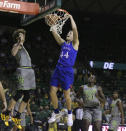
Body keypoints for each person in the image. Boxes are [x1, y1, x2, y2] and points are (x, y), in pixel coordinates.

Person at [1, 29, 36, 129]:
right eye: (21, 35)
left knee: (27, 96)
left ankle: (17, 115)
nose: (23, 37)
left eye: (23, 36)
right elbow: (12, 53)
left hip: (28, 72)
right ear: (17, 37)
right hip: (22, 71)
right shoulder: (16, 45)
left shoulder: (23, 46)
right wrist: (19, 42)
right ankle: (7, 113)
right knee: (20, 93)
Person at [48, 14, 79, 126]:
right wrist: (52, 25)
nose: (69, 34)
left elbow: (74, 29)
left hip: (67, 71)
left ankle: (70, 114)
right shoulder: (63, 44)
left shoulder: (75, 44)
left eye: (70, 33)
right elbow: (55, 33)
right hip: (58, 69)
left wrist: (70, 17)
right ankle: (56, 112)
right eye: (68, 33)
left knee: (66, 96)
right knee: (52, 92)